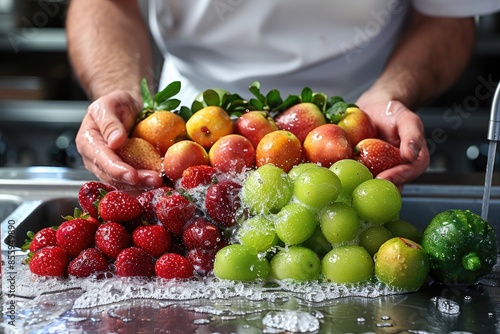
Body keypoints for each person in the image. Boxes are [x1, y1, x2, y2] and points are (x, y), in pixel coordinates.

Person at [66, 0, 500, 191]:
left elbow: (447, 17)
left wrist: (389, 95)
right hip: (183, 131)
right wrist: (120, 90)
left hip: (354, 129)